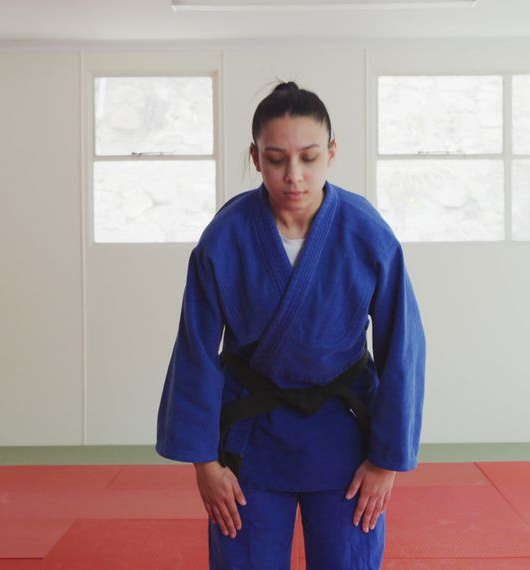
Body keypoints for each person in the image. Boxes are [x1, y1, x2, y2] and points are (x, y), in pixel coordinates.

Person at [155, 81, 426, 569]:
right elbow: (195, 350)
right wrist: (204, 465)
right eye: (277, 159)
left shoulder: (366, 232)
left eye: (309, 157)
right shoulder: (225, 237)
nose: (294, 176)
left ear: (332, 152)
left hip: (345, 441)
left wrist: (387, 459)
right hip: (248, 445)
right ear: (256, 157)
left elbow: (402, 347)